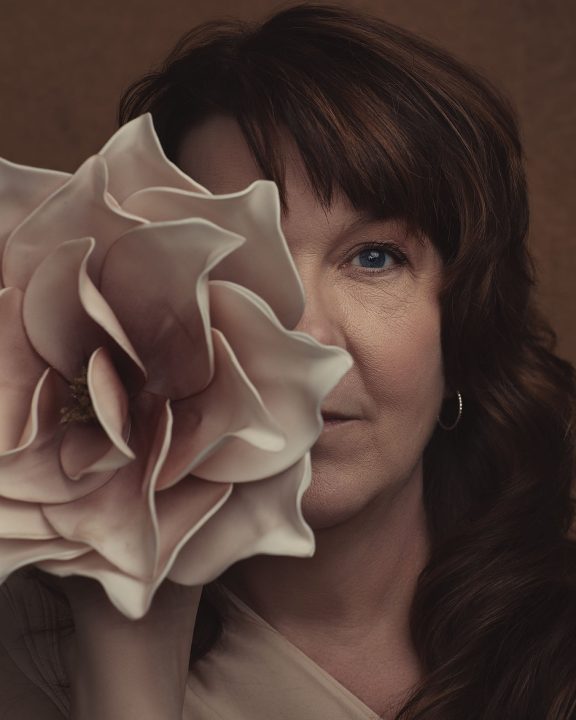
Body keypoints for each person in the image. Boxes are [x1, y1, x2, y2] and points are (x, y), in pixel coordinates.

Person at [1, 4, 575, 719]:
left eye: (374, 258)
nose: (301, 334)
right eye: (232, 261)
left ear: (462, 327)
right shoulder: (27, 648)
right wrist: (130, 646)